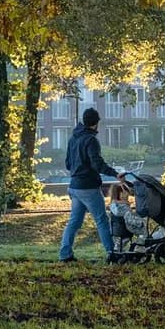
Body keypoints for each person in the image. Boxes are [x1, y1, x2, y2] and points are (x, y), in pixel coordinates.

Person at [59, 107, 115, 263]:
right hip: (88, 187)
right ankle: (112, 253)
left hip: (74, 187)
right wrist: (115, 174)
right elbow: (97, 164)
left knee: (74, 222)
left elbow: (68, 164)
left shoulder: (73, 139)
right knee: (102, 220)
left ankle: (65, 254)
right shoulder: (91, 140)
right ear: (96, 123)